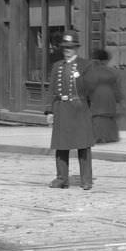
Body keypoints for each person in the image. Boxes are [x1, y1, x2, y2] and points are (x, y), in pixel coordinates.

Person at [45, 32, 95, 190]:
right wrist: (49, 111)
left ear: (76, 48)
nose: (67, 50)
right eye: (65, 47)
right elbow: (52, 89)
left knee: (83, 145)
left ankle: (86, 180)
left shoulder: (86, 65)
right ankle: (61, 178)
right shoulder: (57, 66)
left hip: (80, 109)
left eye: (70, 47)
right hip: (61, 108)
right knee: (61, 145)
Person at [81, 49, 123, 143]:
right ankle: (110, 137)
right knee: (108, 117)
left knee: (97, 116)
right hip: (109, 96)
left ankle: (98, 137)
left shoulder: (90, 71)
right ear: (105, 60)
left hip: (96, 96)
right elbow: (116, 87)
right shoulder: (112, 72)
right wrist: (119, 100)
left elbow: (87, 85)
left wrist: (85, 96)